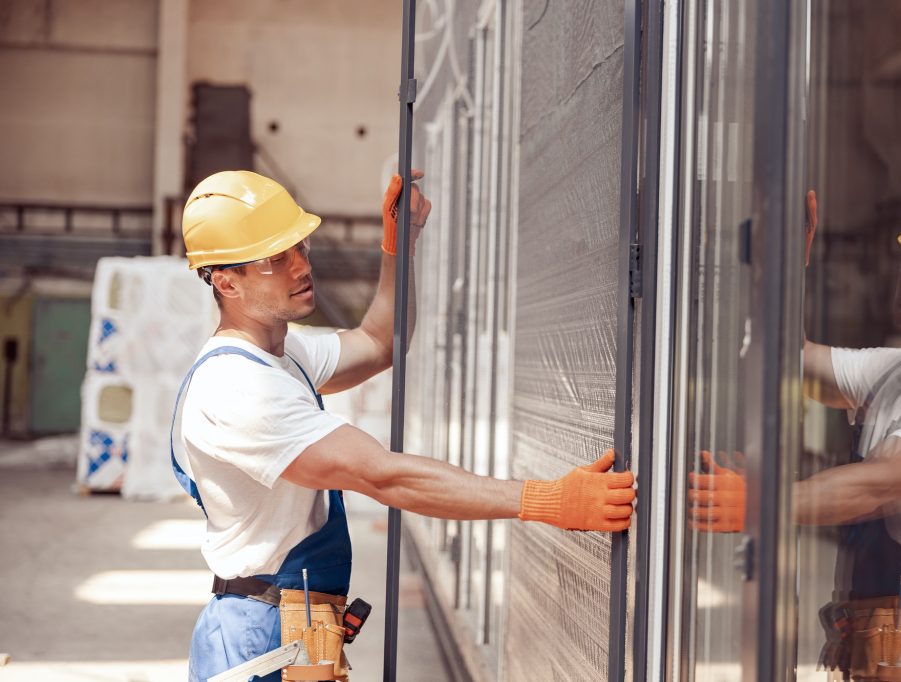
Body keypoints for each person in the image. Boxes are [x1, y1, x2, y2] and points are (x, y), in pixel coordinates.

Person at [171, 170, 636, 682]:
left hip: (289, 627)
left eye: (300, 247)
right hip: (258, 642)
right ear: (226, 280)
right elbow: (381, 476)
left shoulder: (284, 352)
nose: (301, 266)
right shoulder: (237, 387)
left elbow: (379, 341)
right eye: (275, 260)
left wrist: (399, 245)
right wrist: (547, 501)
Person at [689, 196, 901, 679]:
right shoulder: (900, 369)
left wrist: (763, 503)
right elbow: (787, 359)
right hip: (877, 625)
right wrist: (789, 265)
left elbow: (876, 487)